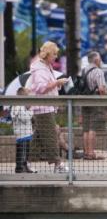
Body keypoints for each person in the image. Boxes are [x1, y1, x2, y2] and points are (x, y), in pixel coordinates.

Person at [27, 41, 70, 173]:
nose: (56, 57)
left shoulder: (45, 66)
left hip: (46, 107)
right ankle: (58, 164)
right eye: (54, 54)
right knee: (51, 135)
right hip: (43, 108)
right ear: (48, 54)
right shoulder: (40, 68)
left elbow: (46, 85)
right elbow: (40, 88)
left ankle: (25, 161)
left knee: (39, 137)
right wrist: (56, 82)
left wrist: (57, 84)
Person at [81, 51, 107, 160]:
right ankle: (92, 153)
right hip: (95, 101)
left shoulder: (84, 70)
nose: (101, 61)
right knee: (93, 127)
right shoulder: (98, 71)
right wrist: (104, 97)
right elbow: (101, 89)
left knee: (86, 128)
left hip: (84, 101)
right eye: (100, 59)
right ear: (96, 60)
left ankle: (87, 153)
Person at [12, 87, 35, 173]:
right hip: (21, 134)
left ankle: (25, 165)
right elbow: (24, 118)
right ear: (23, 96)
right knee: (21, 151)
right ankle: (19, 167)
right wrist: (30, 110)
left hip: (27, 133)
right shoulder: (18, 106)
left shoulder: (22, 106)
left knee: (26, 151)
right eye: (27, 96)